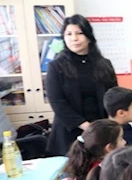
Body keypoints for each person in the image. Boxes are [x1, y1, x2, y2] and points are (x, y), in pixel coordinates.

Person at [46, 15, 118, 157]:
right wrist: (86, 126)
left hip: (100, 131)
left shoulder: (104, 64)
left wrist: (110, 123)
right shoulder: (56, 66)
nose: (74, 38)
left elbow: (113, 96)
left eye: (79, 33)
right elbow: (57, 102)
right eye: (69, 34)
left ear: (89, 36)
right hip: (69, 132)